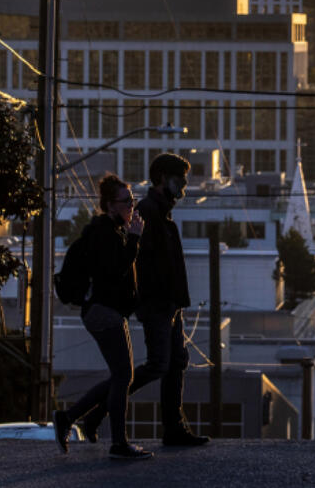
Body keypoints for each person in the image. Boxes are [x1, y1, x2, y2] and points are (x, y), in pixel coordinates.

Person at [53, 174, 152, 460]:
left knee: (123, 375)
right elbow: (114, 272)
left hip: (108, 311)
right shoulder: (104, 233)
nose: (132, 207)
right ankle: (117, 442)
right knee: (123, 375)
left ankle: (70, 417)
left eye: (132, 201)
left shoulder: (112, 230)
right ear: (110, 205)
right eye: (126, 202)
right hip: (102, 311)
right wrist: (134, 238)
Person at [116, 152, 209, 446]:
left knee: (176, 362)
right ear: (161, 180)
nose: (183, 187)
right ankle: (98, 406)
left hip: (169, 303)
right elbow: (144, 264)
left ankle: (173, 428)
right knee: (159, 364)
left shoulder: (161, 212)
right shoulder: (148, 212)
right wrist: (160, 301)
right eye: (179, 180)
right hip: (158, 304)